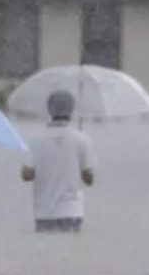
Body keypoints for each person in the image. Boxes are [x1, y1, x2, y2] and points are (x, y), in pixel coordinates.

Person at [21, 91, 96, 232]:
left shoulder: (35, 140)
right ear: (72, 110)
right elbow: (89, 179)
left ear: (49, 110)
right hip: (72, 211)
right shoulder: (81, 140)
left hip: (44, 212)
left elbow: (26, 175)